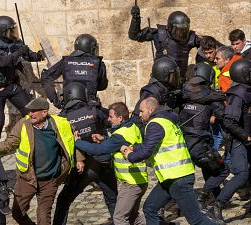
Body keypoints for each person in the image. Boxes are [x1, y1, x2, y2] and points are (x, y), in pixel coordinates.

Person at [122, 97, 217, 225]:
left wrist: (129, 156)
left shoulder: (154, 124)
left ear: (150, 110)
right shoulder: (166, 120)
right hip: (170, 177)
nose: (139, 114)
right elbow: (154, 144)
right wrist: (134, 147)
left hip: (178, 178)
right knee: (150, 208)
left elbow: (146, 152)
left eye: (141, 111)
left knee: (196, 219)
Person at [0, 97, 75, 225]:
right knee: (17, 213)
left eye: (34, 111)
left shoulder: (59, 124)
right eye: (29, 111)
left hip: (50, 180)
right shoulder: (23, 124)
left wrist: (79, 159)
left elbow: (73, 142)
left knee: (44, 217)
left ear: (44, 112)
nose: (30, 114)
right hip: (27, 179)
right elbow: (8, 144)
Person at [53, 82, 117, 225]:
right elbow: (111, 123)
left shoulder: (62, 118)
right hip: (104, 162)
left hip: (82, 168)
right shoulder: (95, 110)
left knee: (63, 201)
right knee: (113, 198)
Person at [75, 102, 148, 225]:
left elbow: (98, 150)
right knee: (133, 216)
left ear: (120, 118)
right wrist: (104, 138)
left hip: (131, 184)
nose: (108, 119)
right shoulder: (131, 126)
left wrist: (77, 142)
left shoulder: (120, 134)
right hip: (139, 180)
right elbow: (120, 141)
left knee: (119, 218)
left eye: (111, 116)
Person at [0, 15, 44, 144]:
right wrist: (18, 52)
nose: (13, 32)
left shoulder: (14, 41)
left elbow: (27, 55)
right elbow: (2, 62)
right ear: (2, 31)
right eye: (10, 30)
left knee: (29, 110)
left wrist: (38, 56)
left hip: (13, 85)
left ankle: (35, 138)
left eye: (13, 29)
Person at [209, 59, 251, 224]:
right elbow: (229, 121)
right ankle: (218, 205)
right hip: (239, 140)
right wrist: (245, 136)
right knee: (241, 174)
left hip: (246, 139)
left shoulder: (246, 90)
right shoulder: (237, 94)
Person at [179, 63, 225, 194]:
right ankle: (204, 197)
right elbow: (223, 116)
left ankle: (215, 194)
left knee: (200, 170)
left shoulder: (183, 93)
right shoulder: (211, 96)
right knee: (221, 169)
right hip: (200, 142)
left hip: (182, 141)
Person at [128, 5, 200, 80]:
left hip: (179, 80)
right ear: (170, 27)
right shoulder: (160, 34)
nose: (180, 34)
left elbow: (206, 45)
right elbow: (135, 35)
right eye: (178, 31)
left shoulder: (190, 38)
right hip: (159, 80)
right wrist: (135, 19)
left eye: (183, 31)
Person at [41, 34, 108, 109]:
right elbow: (102, 86)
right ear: (91, 48)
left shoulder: (66, 61)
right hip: (90, 106)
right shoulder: (98, 63)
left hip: (69, 106)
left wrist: (54, 99)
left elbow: (46, 76)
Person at [132, 57, 182, 126]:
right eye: (173, 76)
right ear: (164, 76)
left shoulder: (163, 90)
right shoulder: (151, 93)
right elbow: (138, 119)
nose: (175, 79)